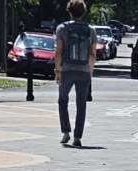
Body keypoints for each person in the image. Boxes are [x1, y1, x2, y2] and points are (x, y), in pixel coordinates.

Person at [55, 0, 96, 147]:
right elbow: (93, 54)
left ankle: (66, 132)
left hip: (67, 69)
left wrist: (57, 70)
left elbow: (59, 52)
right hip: (84, 70)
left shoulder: (62, 28)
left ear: (69, 11)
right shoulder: (90, 30)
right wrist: (90, 72)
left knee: (62, 100)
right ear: (83, 12)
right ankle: (77, 137)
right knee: (81, 105)